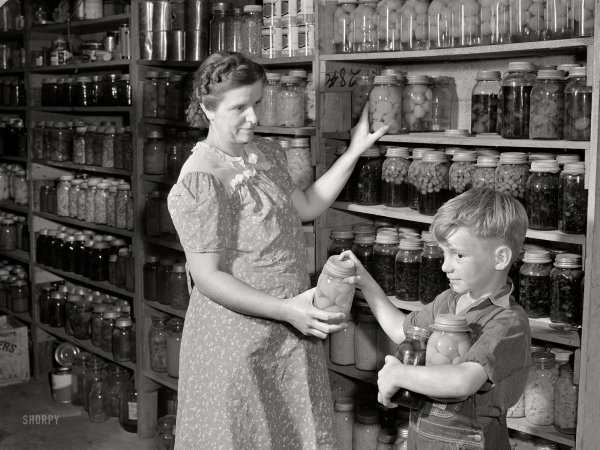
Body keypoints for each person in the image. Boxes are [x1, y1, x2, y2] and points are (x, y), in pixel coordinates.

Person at [167, 51, 388, 449]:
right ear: (207, 109)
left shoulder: (264, 153)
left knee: (292, 433)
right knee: (242, 436)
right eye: (240, 108)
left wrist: (354, 149)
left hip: (289, 326)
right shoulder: (201, 178)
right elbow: (207, 277)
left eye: (257, 103)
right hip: (234, 338)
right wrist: (286, 310)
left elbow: (306, 206)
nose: (254, 117)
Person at [340, 187, 532, 450]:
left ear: (500, 258)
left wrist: (399, 375)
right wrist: (366, 282)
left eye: (459, 255)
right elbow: (401, 330)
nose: (445, 266)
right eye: (444, 253)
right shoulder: (448, 301)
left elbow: (463, 381)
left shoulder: (508, 322)